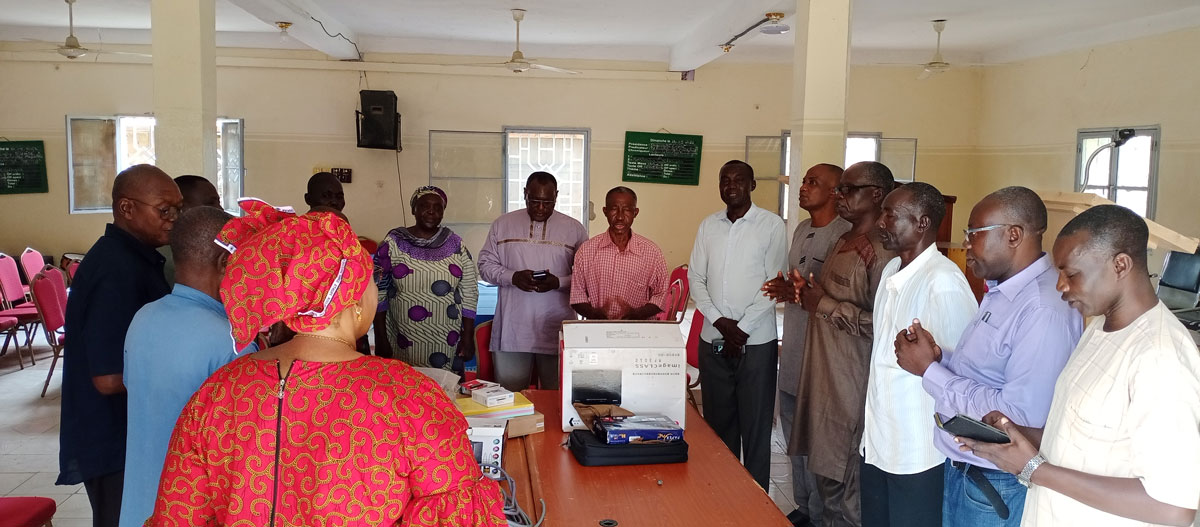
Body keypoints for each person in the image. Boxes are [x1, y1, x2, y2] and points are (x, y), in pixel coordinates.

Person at [146, 199, 507, 526]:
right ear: (351, 298)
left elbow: (178, 514)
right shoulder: (409, 396)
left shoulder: (218, 392)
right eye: (370, 281)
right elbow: (457, 516)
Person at [961, 204, 1200, 527]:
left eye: (1071, 274)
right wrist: (1016, 433)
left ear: (1120, 265)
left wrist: (1034, 468)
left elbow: (1172, 507)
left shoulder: (1160, 357)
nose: (1060, 285)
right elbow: (1078, 437)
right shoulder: (1099, 328)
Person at [893, 186, 1082, 526]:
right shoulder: (1004, 291)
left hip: (996, 482)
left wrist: (930, 373)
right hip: (970, 471)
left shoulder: (1042, 309)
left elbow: (1017, 418)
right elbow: (988, 373)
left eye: (974, 233)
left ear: (1013, 235)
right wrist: (938, 358)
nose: (966, 243)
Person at [772, 161, 895, 527]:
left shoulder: (881, 251)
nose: (840, 196)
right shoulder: (845, 241)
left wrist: (821, 303)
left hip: (850, 385)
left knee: (846, 490)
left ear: (875, 195)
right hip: (819, 375)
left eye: (847, 189)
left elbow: (885, 326)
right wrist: (804, 294)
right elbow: (822, 299)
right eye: (839, 189)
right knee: (825, 482)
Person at [58, 164, 182, 527]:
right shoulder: (116, 268)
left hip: (128, 434)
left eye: (178, 209)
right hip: (113, 440)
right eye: (165, 210)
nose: (174, 219)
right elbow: (108, 377)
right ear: (127, 208)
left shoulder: (137, 259)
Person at [121, 206, 255, 527]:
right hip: (188, 510)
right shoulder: (232, 339)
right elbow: (243, 449)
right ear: (226, 263)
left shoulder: (142, 318)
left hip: (139, 506)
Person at [859, 181, 978, 527]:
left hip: (919, 451)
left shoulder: (942, 282)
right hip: (880, 441)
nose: (880, 222)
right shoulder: (890, 272)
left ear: (922, 224)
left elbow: (963, 372)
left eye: (889, 215)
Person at [689, 159, 787, 490]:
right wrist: (720, 322)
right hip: (713, 339)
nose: (731, 185)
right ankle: (721, 496)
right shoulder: (708, 225)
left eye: (739, 180)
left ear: (752, 185)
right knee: (719, 425)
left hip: (756, 342)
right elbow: (695, 278)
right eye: (724, 179)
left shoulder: (771, 226)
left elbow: (775, 283)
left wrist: (741, 328)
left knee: (756, 427)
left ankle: (756, 503)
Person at [762, 163, 850, 526]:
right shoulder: (799, 229)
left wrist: (806, 293)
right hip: (795, 349)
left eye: (813, 182)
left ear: (834, 192)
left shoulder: (844, 235)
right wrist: (786, 290)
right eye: (804, 181)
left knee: (816, 442)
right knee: (793, 436)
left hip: (824, 357)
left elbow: (834, 295)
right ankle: (802, 507)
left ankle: (819, 514)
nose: (803, 187)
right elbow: (800, 288)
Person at [478, 172, 587, 391]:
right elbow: (484, 266)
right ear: (525, 194)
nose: (540, 207)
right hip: (513, 328)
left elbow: (588, 277)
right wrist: (513, 277)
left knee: (557, 396)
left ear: (556, 196)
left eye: (547, 202)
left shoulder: (575, 229)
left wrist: (559, 282)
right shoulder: (503, 224)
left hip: (556, 327)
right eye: (534, 200)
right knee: (509, 395)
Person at [372, 186, 479, 371]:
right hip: (402, 340)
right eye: (425, 206)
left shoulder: (455, 244)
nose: (431, 211)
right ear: (414, 209)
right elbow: (377, 291)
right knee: (405, 391)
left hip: (446, 341)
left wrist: (468, 337)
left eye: (438, 207)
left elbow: (469, 290)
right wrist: (380, 337)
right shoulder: (393, 243)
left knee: (444, 394)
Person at [570, 186, 669, 320]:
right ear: (605, 211)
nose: (620, 217)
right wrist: (595, 315)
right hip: (598, 330)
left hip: (639, 332)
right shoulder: (586, 251)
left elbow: (660, 295)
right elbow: (577, 296)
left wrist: (637, 315)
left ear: (636, 212)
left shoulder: (652, 252)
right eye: (614, 209)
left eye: (627, 210)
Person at [161, 175, 221, 285]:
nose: (220, 209)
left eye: (219, 202)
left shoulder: (209, 246)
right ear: (181, 209)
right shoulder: (170, 257)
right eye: (210, 203)